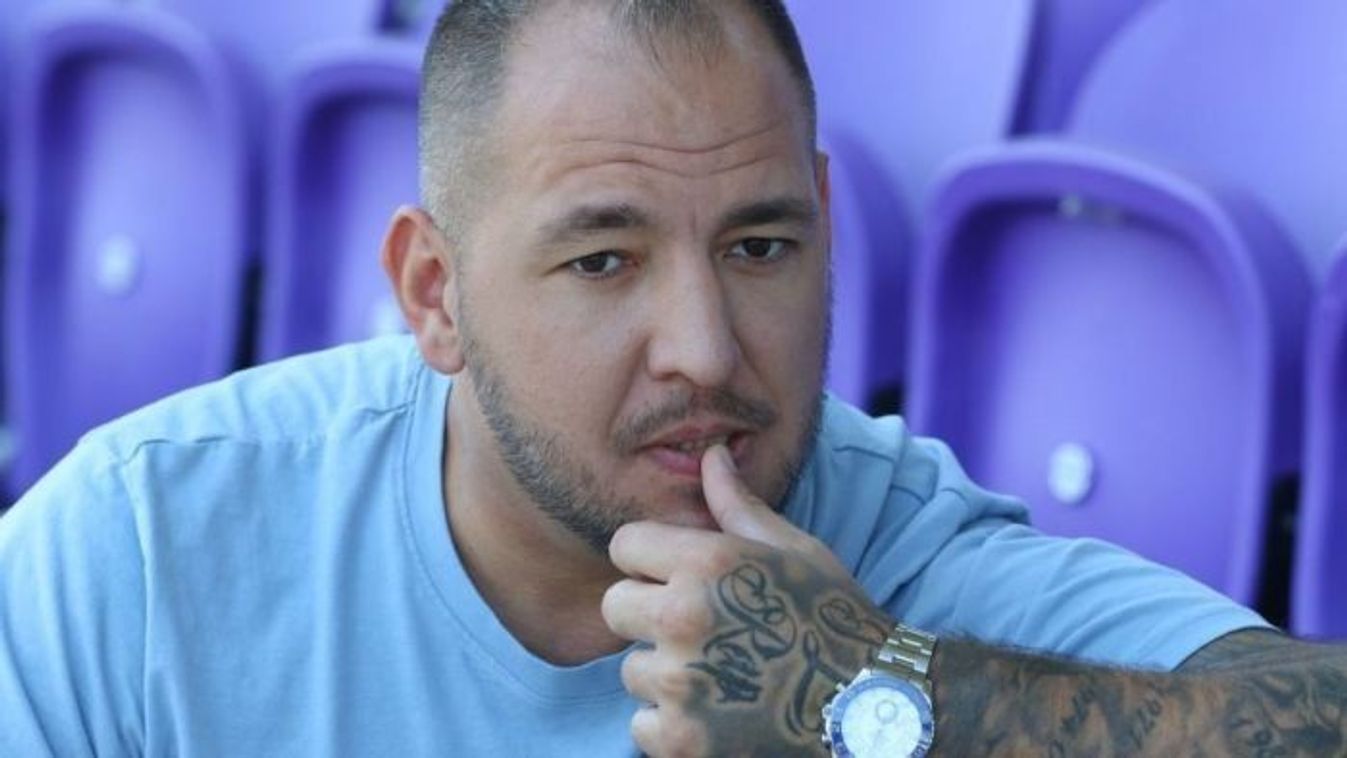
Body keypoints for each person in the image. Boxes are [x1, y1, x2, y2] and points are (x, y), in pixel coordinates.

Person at [1, 0, 1343, 755]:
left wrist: (884, 694)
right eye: (603, 260)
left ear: (828, 230)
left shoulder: (888, 557)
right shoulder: (143, 546)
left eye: (760, 246)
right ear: (435, 295)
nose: (704, 346)